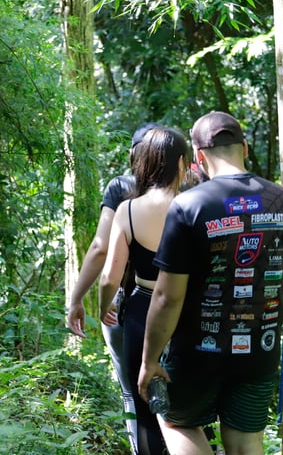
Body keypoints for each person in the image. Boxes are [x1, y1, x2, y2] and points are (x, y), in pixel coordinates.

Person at [137, 112, 283, 455]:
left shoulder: (189, 206)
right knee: (246, 441)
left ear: (199, 157)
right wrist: (266, 320)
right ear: (245, 148)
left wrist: (149, 360)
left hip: (197, 352)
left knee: (178, 421)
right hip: (259, 350)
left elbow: (166, 297)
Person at [67, 121, 160, 454]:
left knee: (132, 391)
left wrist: (79, 299)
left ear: (134, 154)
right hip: (178, 303)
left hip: (128, 302)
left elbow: (100, 248)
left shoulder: (122, 187)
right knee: (178, 391)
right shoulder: (190, 186)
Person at [99, 126, 190, 455]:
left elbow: (110, 275)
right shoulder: (195, 206)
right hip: (189, 312)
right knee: (189, 409)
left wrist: (102, 307)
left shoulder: (128, 210)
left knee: (145, 410)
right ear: (181, 164)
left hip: (141, 311)